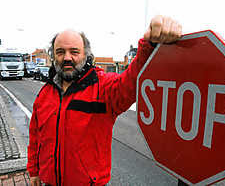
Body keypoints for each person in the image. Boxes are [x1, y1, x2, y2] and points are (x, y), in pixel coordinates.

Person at [27, 15, 182, 186]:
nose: (67, 58)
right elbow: (35, 136)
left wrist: (150, 44)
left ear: (86, 54)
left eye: (74, 51)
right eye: (60, 52)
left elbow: (130, 83)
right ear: (54, 56)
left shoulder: (103, 87)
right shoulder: (45, 93)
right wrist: (33, 170)